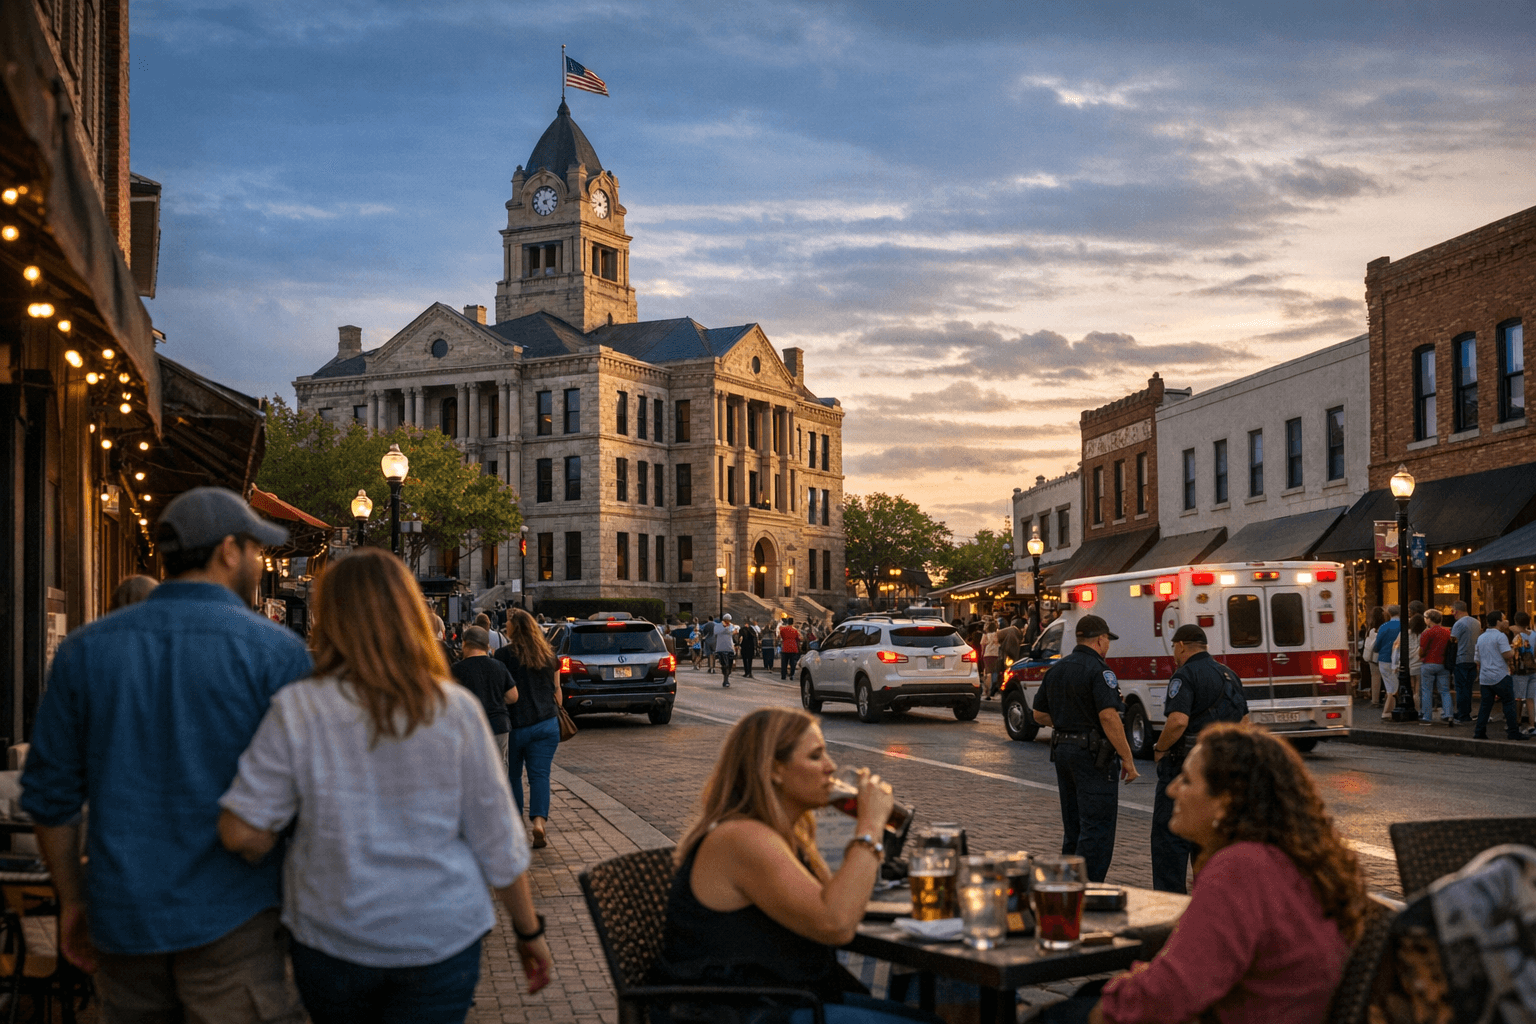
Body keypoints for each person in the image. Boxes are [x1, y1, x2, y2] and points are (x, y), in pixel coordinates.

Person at [217, 550, 553, 1023]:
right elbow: (496, 838)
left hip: (333, 935)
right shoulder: (453, 710)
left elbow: (241, 832)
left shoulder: (299, 709)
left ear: (328, 617)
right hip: (441, 936)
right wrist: (527, 930)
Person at [20, 487, 311, 1021]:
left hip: (123, 916)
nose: (258, 562)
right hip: (237, 917)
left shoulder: (85, 650)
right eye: (254, 549)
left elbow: (50, 797)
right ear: (228, 550)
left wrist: (73, 900)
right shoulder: (278, 654)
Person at [1044, 724, 1366, 1024]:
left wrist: (1111, 1001)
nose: (1171, 790)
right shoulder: (1293, 859)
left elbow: (1172, 993)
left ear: (1224, 801)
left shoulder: (1240, 868)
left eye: (1186, 780)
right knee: (1089, 994)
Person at [649, 707, 940, 1024]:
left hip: (784, 1000)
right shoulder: (743, 837)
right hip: (745, 1012)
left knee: (934, 1006)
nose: (830, 767)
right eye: (816, 756)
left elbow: (829, 901)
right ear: (774, 770)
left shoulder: (783, 834)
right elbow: (836, 924)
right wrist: (870, 826)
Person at [1031, 614, 1139, 882]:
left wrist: (1068, 722)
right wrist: (1128, 758)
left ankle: (1066, 887)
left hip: (1064, 751)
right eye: (1107, 641)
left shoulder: (1057, 669)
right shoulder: (1100, 671)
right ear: (1101, 640)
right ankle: (1087, 891)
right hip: (1094, 756)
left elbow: (1038, 715)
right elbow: (1108, 716)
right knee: (1097, 829)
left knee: (1074, 827)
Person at [1149, 624, 1248, 893]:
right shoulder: (1229, 674)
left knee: (1170, 842)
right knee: (1209, 843)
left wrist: (1160, 747)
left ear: (1181, 646)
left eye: (1174, 648)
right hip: (1220, 768)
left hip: (1184, 766)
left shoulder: (1185, 675)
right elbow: (1245, 722)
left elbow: (1178, 721)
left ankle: (1170, 908)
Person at [495, 608, 565, 847]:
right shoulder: (548, 655)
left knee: (513, 776)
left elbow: (500, 691)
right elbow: (558, 692)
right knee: (540, 776)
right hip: (546, 723)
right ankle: (539, 823)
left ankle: (517, 828)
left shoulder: (503, 655)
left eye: (508, 624)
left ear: (514, 629)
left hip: (515, 725)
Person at [453, 625, 516, 767]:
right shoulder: (499, 666)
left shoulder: (457, 670)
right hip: (499, 726)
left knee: (471, 771)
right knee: (499, 771)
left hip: (470, 728)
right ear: (487, 645)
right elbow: (513, 696)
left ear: (464, 644)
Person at [1473, 610, 1526, 741]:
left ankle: (1479, 731)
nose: (1505, 621)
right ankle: (1513, 732)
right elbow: (1507, 655)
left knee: (1485, 706)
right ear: (1498, 622)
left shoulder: (1481, 637)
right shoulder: (1500, 636)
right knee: (1508, 703)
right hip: (1500, 675)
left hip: (1485, 677)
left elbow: (1477, 659)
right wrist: (1514, 648)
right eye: (1503, 619)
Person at [1418, 608, 1455, 723]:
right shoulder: (1447, 632)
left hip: (1428, 662)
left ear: (1429, 620)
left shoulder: (1427, 632)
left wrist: (1420, 655)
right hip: (1443, 663)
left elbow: (1422, 650)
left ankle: (1427, 715)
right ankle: (1448, 714)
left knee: (1426, 690)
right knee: (1444, 690)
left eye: (1426, 618)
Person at [1387, 613, 1424, 722]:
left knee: (1411, 689)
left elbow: (1396, 649)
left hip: (1409, 664)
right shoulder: (1424, 634)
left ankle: (1414, 708)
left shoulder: (1404, 634)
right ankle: (1419, 710)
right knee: (1419, 690)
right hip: (1420, 664)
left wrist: (1395, 664)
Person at [1450, 600, 1481, 725]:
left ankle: (1462, 714)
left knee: (1461, 688)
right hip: (1473, 658)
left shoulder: (1459, 624)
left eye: (1452, 611)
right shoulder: (1477, 623)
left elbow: (1453, 641)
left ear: (1457, 611)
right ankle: (1466, 712)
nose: (1452, 614)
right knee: (1468, 687)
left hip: (1461, 658)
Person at [1374, 604, 1401, 720]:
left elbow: (1377, 645)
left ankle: (1388, 711)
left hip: (1384, 658)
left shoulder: (1384, 626)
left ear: (1389, 614)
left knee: (1390, 686)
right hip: (1400, 659)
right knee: (1395, 686)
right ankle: (1390, 710)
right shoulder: (1404, 626)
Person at [1511, 611, 1536, 736]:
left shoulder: (1517, 637)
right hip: (1533, 669)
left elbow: (1513, 654)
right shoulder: (1535, 635)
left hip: (1520, 671)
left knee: (1519, 697)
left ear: (1516, 622)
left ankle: (1518, 721)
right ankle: (1532, 725)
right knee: (1530, 698)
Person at [1359, 607, 1385, 706]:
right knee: (1387, 677)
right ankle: (1388, 697)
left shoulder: (1370, 628)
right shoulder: (1384, 626)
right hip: (1383, 654)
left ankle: (1375, 700)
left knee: (1375, 677)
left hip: (1372, 655)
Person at [713, 613, 738, 686]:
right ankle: (725, 680)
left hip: (730, 648)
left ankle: (727, 676)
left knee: (729, 665)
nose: (727, 622)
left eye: (729, 620)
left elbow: (736, 630)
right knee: (725, 665)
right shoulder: (718, 626)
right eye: (726, 620)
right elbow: (716, 632)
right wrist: (725, 628)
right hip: (721, 648)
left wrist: (732, 630)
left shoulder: (732, 626)